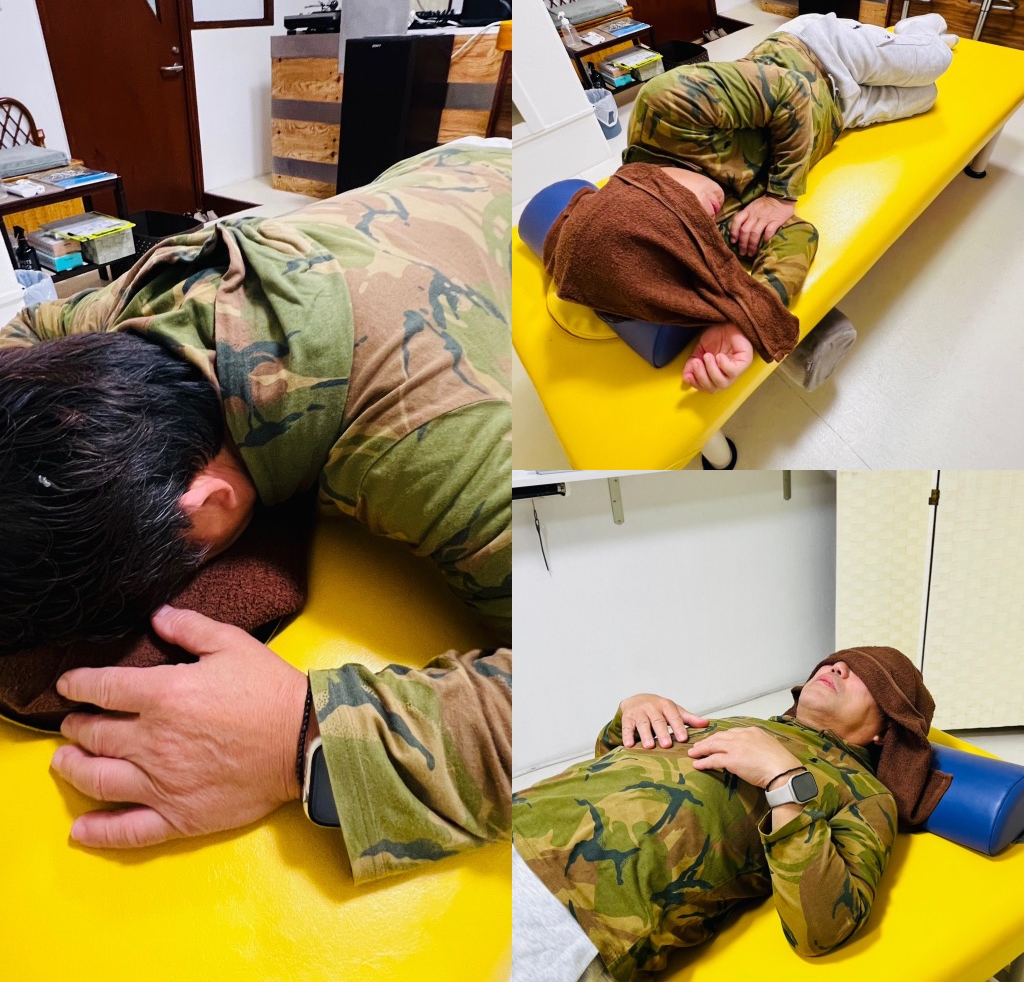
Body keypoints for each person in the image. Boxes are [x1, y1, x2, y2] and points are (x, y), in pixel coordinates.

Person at [0, 138, 512, 880]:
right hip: (425, 179)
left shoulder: (432, 438)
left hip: (499, 179)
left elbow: (593, 663)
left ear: (208, 505)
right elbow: (20, 340)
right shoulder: (130, 310)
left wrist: (298, 740)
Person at [543, 13, 957, 393]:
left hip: (821, 54)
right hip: (842, 113)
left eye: (686, 207)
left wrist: (779, 196)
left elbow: (792, 92)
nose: (708, 215)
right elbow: (796, 235)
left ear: (648, 185)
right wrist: (746, 318)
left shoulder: (667, 105)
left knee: (937, 60)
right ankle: (906, 42)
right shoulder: (697, 226)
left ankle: (917, 29)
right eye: (693, 228)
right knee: (928, 96)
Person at [512, 646, 951, 982]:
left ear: (885, 732)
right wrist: (632, 712)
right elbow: (617, 768)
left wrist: (784, 780)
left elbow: (825, 927)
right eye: (837, 661)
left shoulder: (866, 794)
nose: (837, 668)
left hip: (579, 911)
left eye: (866, 677)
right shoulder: (750, 724)